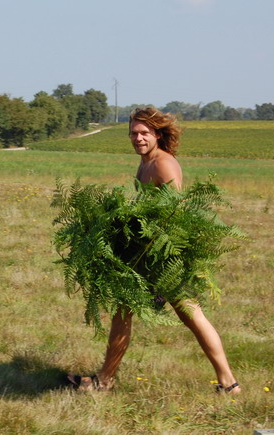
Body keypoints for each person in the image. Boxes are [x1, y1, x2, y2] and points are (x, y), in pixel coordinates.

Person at [67, 107, 240, 394]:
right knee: (179, 315)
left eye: (144, 133)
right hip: (147, 256)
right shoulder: (144, 164)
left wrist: (164, 267)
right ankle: (228, 383)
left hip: (163, 259)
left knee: (187, 315)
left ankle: (105, 381)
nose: (138, 138)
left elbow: (177, 214)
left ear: (157, 134)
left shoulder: (163, 164)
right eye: (133, 133)